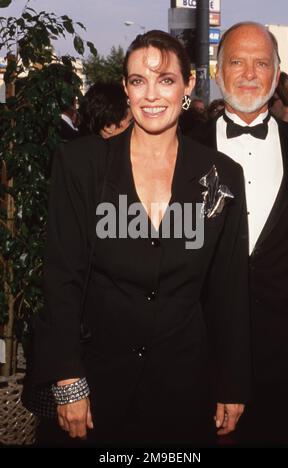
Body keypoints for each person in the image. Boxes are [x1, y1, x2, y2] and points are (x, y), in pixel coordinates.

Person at [30, 30, 250, 447]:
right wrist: (67, 375)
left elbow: (229, 287)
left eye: (165, 79)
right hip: (94, 386)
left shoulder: (222, 175)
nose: (151, 94)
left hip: (182, 391)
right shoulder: (81, 164)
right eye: (138, 81)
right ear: (126, 89)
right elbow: (61, 277)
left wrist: (233, 382)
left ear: (188, 86)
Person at [189, 22, 288, 445]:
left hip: (287, 363)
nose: (250, 74)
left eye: (261, 63)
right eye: (237, 61)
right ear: (218, 70)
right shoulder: (183, 148)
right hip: (200, 356)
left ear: (276, 74)